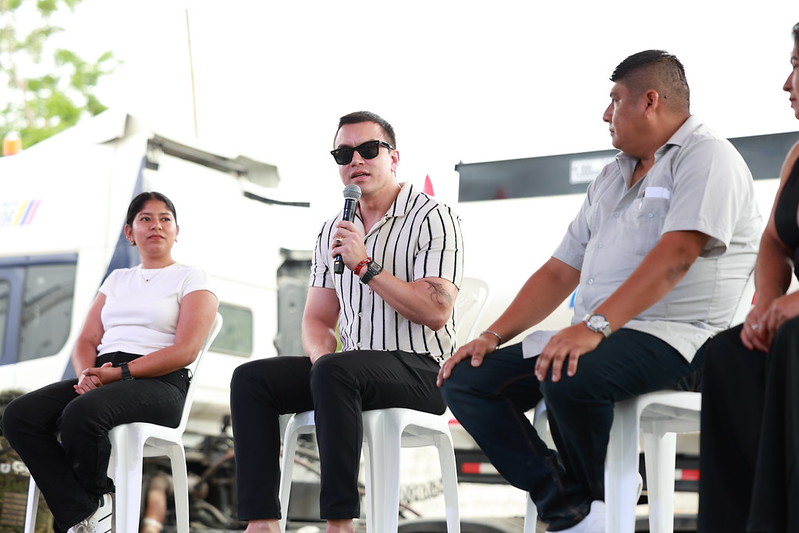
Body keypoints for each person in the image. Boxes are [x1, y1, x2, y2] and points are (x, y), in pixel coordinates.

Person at [437, 50, 761, 533]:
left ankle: (599, 500)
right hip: (604, 335)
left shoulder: (708, 157)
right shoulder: (612, 175)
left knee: (571, 371)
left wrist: (594, 326)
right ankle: (572, 505)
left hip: (682, 340)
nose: (606, 114)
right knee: (466, 379)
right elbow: (559, 270)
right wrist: (491, 335)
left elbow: (677, 256)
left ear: (650, 101)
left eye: (615, 100)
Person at [229, 110, 464, 533]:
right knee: (252, 379)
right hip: (349, 370)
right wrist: (320, 357)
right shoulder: (332, 231)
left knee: (339, 372)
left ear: (394, 158)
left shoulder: (433, 216)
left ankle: (340, 522)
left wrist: (366, 266)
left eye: (368, 149)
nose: (355, 160)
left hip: (422, 369)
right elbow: (317, 320)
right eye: (343, 153)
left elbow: (436, 311)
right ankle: (262, 521)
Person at [1, 191, 218, 533]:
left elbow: (187, 350)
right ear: (130, 232)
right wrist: (88, 374)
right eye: (145, 219)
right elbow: (87, 339)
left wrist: (120, 374)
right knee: (19, 415)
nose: (156, 225)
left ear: (177, 230)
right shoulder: (117, 280)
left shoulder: (191, 278)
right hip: (105, 376)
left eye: (165, 219)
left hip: (161, 383)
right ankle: (84, 513)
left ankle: (88, 509)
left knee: (82, 413)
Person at [698, 23, 799, 533]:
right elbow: (776, 243)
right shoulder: (798, 155)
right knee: (727, 353)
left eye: (798, 66)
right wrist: (766, 304)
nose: (787, 82)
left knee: (794, 342)